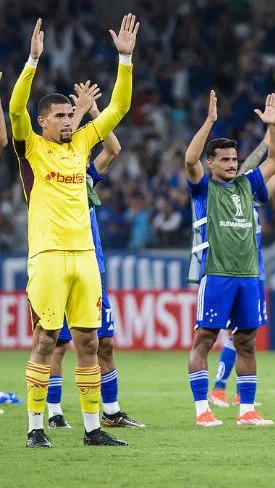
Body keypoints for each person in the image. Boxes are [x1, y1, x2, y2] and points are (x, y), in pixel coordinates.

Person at [15, 15, 137, 448]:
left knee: (88, 341)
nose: (70, 120)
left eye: (72, 113)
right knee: (46, 340)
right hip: (47, 256)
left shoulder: (83, 145)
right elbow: (15, 110)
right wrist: (32, 62)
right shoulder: (32, 147)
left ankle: (92, 430)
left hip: (85, 256)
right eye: (61, 115)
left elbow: (119, 108)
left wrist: (124, 58)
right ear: (44, 121)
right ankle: (34, 427)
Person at [185, 90, 275, 427]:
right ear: (211, 163)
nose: (231, 164)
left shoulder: (247, 185)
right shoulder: (203, 189)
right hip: (217, 273)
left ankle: (247, 411)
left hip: (248, 275)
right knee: (205, 339)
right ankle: (202, 410)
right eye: (224, 160)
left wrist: (272, 126)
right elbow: (188, 160)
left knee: (246, 342)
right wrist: (210, 121)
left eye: (233, 159)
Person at [47, 82, 144, 430]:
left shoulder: (86, 176)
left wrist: (91, 112)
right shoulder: (49, 172)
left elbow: (113, 147)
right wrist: (74, 116)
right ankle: (54, 413)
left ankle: (112, 411)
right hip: (59, 261)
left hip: (94, 266)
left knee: (104, 341)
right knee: (57, 343)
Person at [208, 121, 275, 409]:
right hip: (229, 269)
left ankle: (234, 393)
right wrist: (266, 140)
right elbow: (246, 169)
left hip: (253, 271)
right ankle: (220, 388)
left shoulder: (253, 198)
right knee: (234, 335)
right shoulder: (232, 190)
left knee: (244, 336)